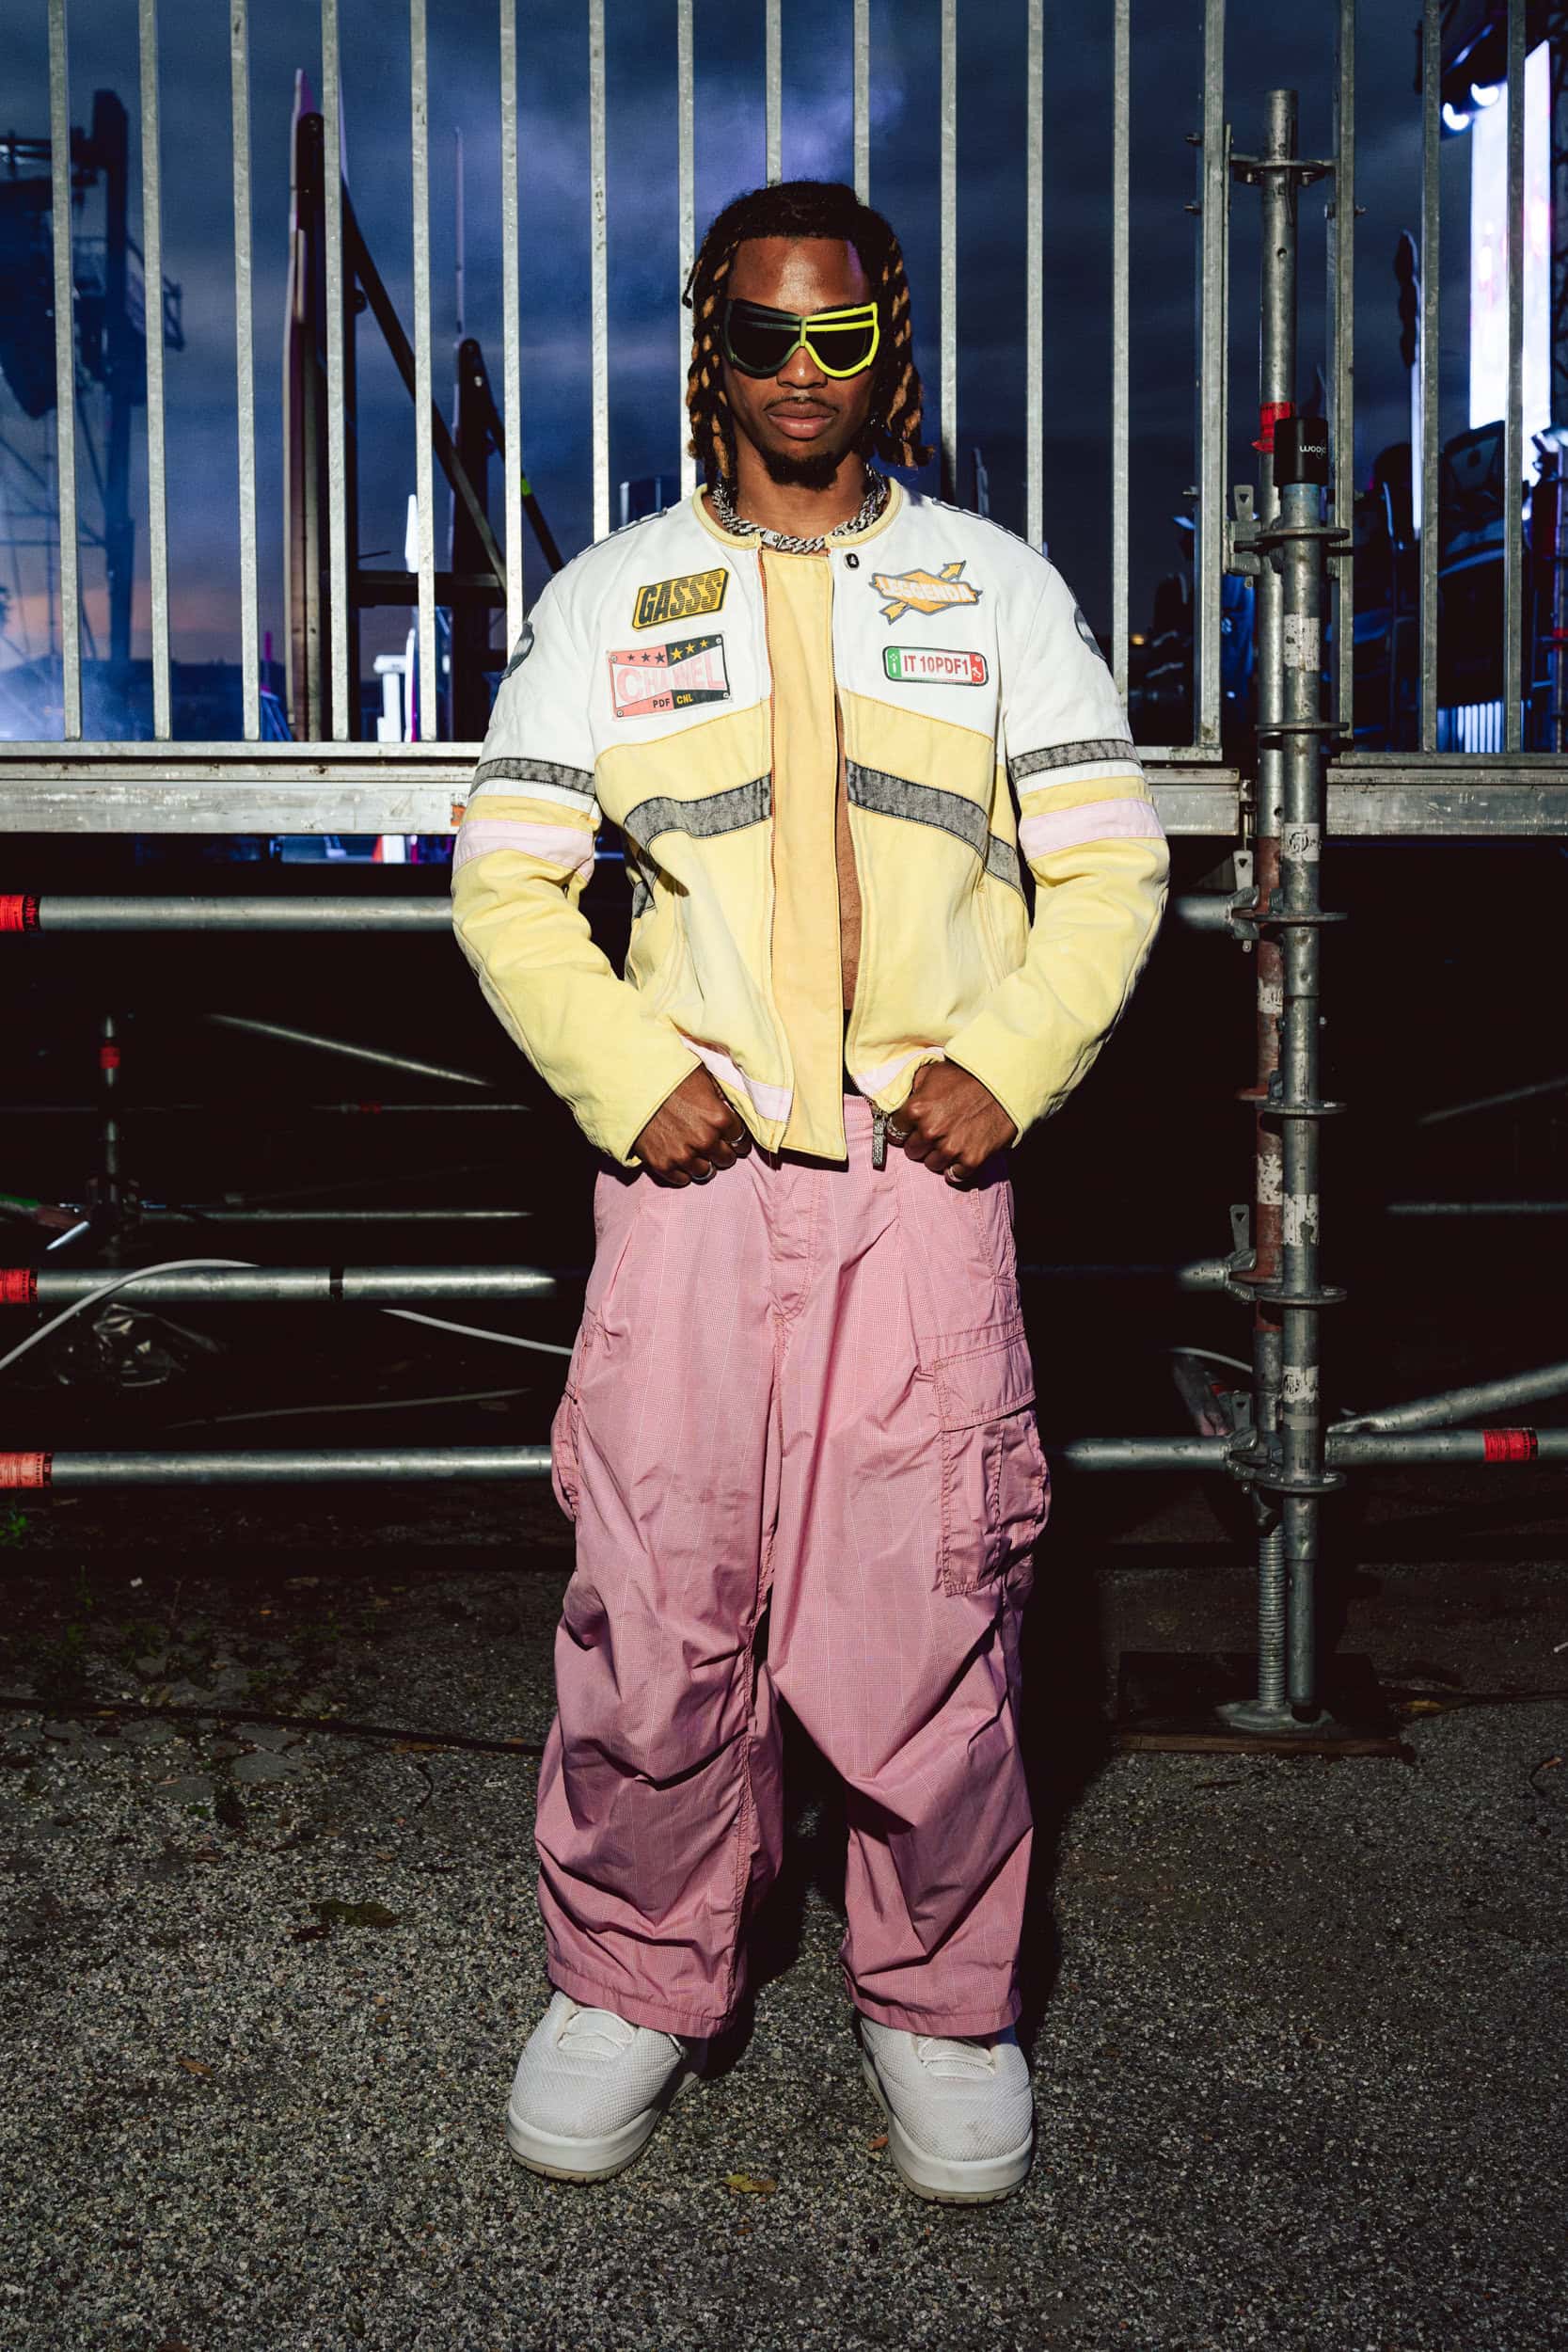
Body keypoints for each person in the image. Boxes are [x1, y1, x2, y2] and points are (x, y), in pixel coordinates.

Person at [451, 179, 1168, 2204]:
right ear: (713, 347)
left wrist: (1004, 1065)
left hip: (918, 1174)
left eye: (833, 335)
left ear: (886, 347)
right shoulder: (611, 599)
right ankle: (631, 1973)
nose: (797, 370)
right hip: (686, 1175)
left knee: (924, 1599)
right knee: (656, 1591)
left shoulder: (995, 590)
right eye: (760, 334)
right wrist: (631, 1078)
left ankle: (941, 1996)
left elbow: (1110, 866)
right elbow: (507, 883)